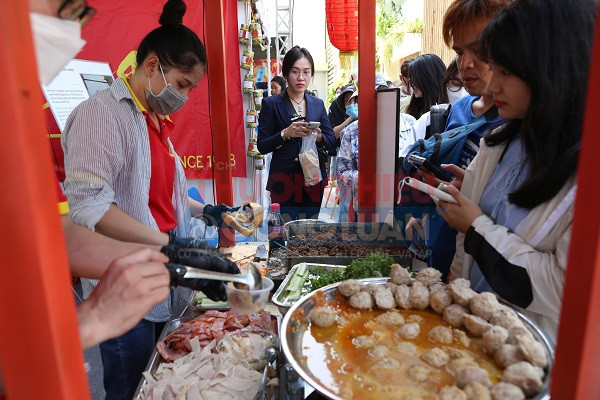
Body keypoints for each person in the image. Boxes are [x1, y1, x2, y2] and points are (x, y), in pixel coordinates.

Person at [61, 1, 238, 398]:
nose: (185, 97)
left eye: (191, 89)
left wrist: (207, 211)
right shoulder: (101, 115)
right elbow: (92, 208)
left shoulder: (153, 120)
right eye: (181, 85)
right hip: (122, 284)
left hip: (160, 275)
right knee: (130, 387)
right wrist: (172, 245)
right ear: (152, 66)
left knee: (157, 383)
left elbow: (158, 197)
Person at [440, 0, 596, 340]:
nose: (493, 85)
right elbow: (463, 246)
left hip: (525, 356)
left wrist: (477, 227)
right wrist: (454, 293)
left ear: (552, 66)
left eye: (505, 71)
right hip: (472, 332)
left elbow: (563, 287)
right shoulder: (499, 140)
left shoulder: (586, 172)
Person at [406, 0, 512, 281]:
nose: (464, 64)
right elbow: (447, 183)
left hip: (485, 270)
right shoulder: (459, 110)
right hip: (441, 248)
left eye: (478, 50)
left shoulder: (519, 127)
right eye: (459, 52)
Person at [257, 46, 336, 221]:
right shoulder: (271, 104)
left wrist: (318, 135)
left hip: (313, 180)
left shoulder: (317, 104)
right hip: (283, 181)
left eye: (306, 72)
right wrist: (285, 133)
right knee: (283, 232)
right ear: (285, 73)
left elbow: (331, 142)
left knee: (309, 234)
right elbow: (262, 145)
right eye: (295, 72)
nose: (301, 77)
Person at [338, 79, 416, 222]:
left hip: (401, 203)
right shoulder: (351, 131)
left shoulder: (409, 123)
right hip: (366, 204)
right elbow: (342, 171)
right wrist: (365, 178)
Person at [405, 54, 448, 120]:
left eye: (414, 79)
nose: (411, 84)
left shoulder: (448, 111)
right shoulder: (415, 109)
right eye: (410, 79)